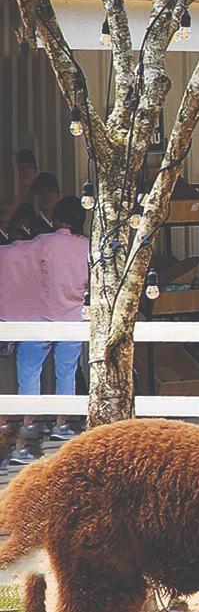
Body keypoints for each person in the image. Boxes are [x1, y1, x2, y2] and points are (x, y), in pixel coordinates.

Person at [9, 196, 88, 462]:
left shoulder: (44, 242)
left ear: (57, 218)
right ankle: (62, 423)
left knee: (30, 374)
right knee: (67, 373)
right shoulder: (87, 248)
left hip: (39, 318)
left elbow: (14, 256)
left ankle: (28, 429)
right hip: (73, 318)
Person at [8, 172, 59, 240]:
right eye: (41, 192)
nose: (46, 196)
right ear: (33, 196)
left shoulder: (65, 222)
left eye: (51, 191)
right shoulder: (27, 223)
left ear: (58, 194)